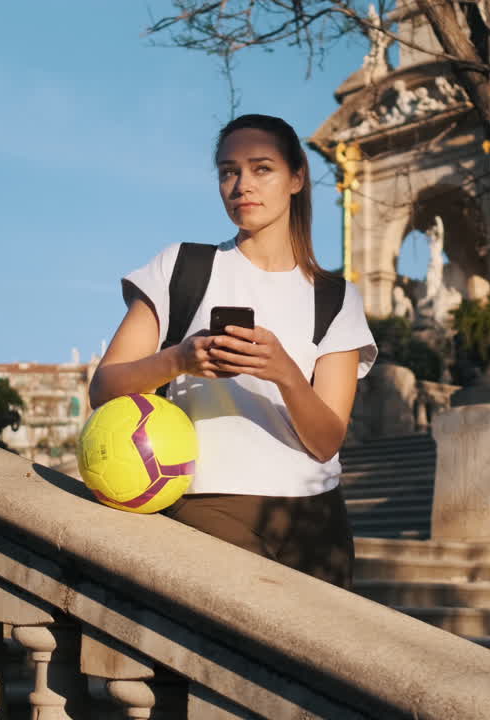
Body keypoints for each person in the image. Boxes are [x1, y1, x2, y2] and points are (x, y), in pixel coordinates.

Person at [89, 114, 376, 588]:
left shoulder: (335, 297)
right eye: (228, 171)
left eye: (261, 168)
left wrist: (284, 372)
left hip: (315, 520)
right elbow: (105, 387)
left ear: (297, 177)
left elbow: (327, 440)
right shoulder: (181, 265)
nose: (242, 184)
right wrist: (180, 359)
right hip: (206, 505)